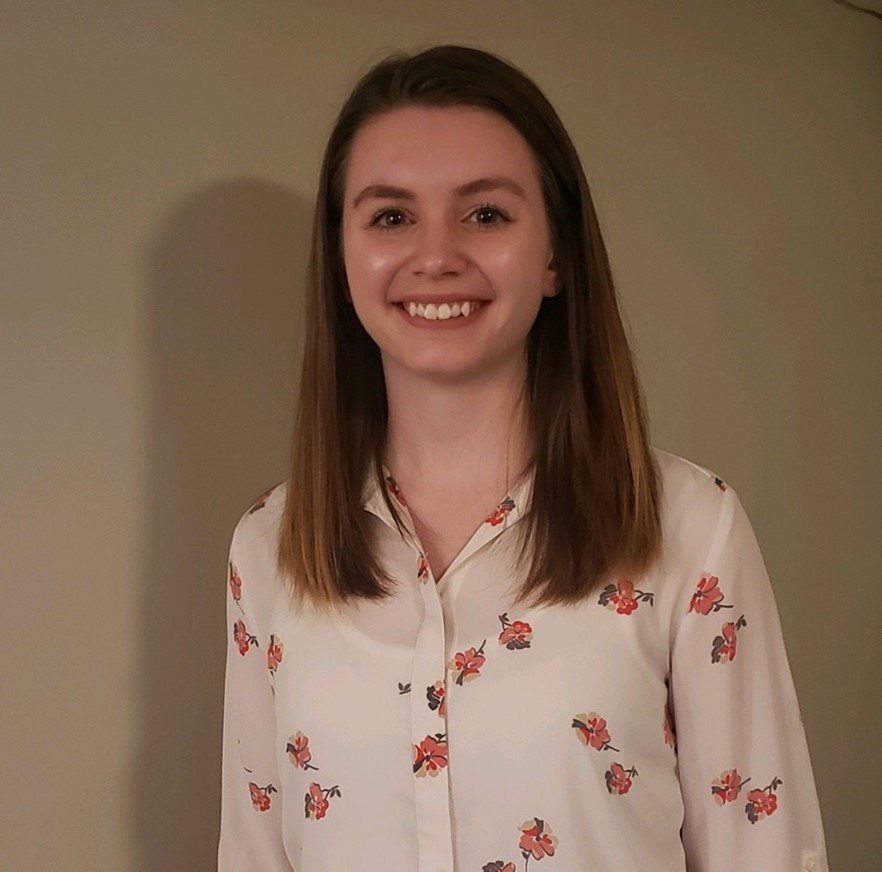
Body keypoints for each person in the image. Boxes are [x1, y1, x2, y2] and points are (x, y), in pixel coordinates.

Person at [218, 44, 828, 871]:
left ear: (555, 256)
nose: (437, 255)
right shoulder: (269, 548)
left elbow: (763, 852)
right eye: (391, 217)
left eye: (485, 214)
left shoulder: (688, 529)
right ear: (340, 256)